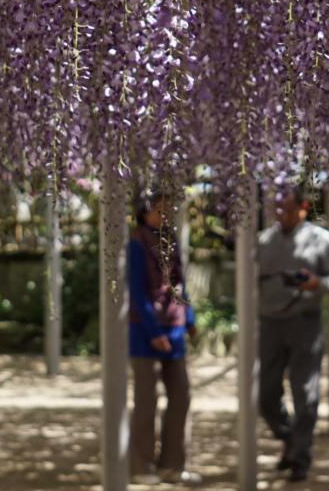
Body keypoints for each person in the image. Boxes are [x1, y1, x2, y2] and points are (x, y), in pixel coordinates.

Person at [257, 184, 329, 483]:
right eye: (277, 208)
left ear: (303, 207)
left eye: (288, 208)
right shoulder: (263, 240)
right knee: (265, 396)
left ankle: (300, 457)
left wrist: (316, 283)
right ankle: (291, 439)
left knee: (305, 394)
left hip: (304, 322)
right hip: (269, 323)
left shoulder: (322, 240)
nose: (282, 214)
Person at [127, 190, 200, 487]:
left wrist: (190, 319)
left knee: (180, 396)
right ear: (144, 211)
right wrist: (153, 332)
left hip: (174, 328)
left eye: (167, 206)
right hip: (145, 333)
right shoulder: (136, 242)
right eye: (159, 207)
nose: (165, 211)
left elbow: (180, 284)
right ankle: (141, 465)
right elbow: (136, 291)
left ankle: (173, 464)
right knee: (146, 400)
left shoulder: (170, 239)